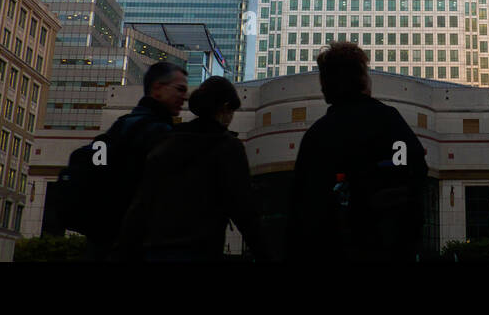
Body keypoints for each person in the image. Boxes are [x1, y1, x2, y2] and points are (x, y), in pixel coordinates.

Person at [286, 41, 428, 262]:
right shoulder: (389, 122)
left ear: (325, 86)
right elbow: (412, 171)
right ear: (363, 80)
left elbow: (301, 208)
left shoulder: (317, 136)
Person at [115, 77, 269, 262]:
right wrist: (265, 254)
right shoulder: (227, 146)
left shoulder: (167, 142)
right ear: (225, 108)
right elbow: (244, 210)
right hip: (200, 249)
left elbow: (141, 204)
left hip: (155, 249)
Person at [83, 61, 187, 260]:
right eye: (180, 89)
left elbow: (98, 172)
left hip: (103, 242)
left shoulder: (119, 127)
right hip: (139, 246)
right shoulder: (160, 133)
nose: (184, 97)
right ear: (157, 88)